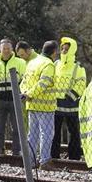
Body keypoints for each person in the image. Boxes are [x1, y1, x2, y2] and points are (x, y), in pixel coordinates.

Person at [20, 40, 59, 169]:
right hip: (45, 105)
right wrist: (30, 94)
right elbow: (43, 84)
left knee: (33, 134)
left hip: (31, 105)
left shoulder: (33, 62)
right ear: (54, 52)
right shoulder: (49, 64)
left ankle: (30, 161)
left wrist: (25, 93)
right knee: (47, 133)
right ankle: (45, 161)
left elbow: (23, 82)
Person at [0, 39, 27, 155]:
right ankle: (0, 150)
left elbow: (25, 79)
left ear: (12, 49)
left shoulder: (20, 63)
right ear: (0, 50)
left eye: (8, 48)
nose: (6, 51)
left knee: (17, 128)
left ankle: (16, 151)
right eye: (3, 48)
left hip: (15, 100)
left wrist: (23, 93)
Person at [51, 37, 86, 161]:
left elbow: (81, 84)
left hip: (72, 105)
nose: (64, 51)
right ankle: (53, 156)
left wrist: (70, 96)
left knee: (74, 133)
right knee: (54, 133)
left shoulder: (78, 67)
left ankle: (74, 157)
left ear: (72, 50)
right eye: (63, 48)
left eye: (67, 48)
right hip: (56, 104)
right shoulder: (55, 64)